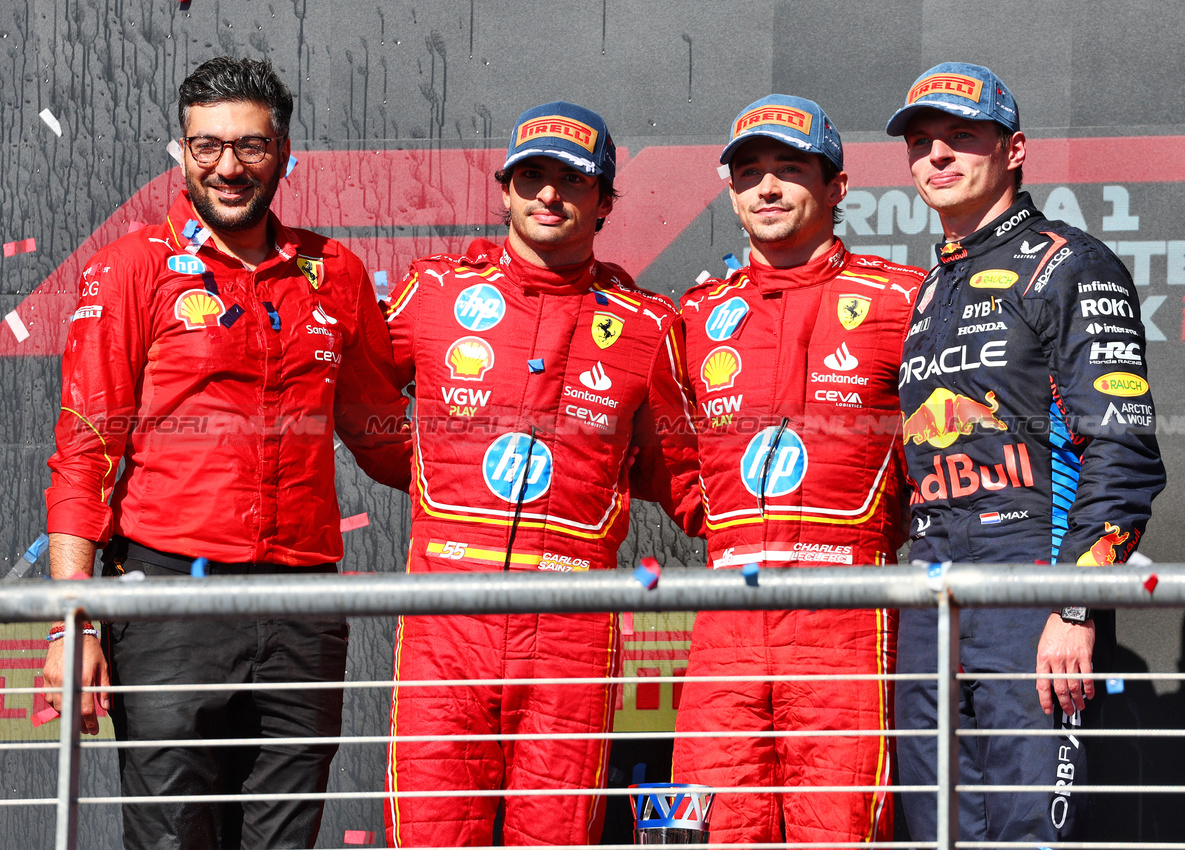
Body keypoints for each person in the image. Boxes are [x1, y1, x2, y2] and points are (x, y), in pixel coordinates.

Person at [41, 57, 411, 850]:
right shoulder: (133, 267)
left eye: (249, 146)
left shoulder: (334, 272)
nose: (227, 167)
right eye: (206, 146)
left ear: (282, 150)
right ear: (180, 152)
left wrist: (524, 455)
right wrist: (70, 626)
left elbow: (385, 439)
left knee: (285, 837)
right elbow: (83, 454)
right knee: (173, 838)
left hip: (303, 606)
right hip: (169, 601)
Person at [380, 101, 702, 848]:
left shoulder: (649, 326)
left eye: (571, 181)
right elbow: (350, 395)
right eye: (532, 178)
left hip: (572, 627)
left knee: (555, 835)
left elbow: (681, 474)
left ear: (604, 201)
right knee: (431, 834)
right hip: (444, 617)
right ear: (505, 190)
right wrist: (423, 466)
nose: (548, 196)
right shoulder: (433, 294)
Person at [885, 62, 1166, 842]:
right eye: (921, 142)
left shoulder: (1071, 264)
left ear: (1012, 150)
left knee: (1026, 830)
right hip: (931, 592)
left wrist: (1074, 606)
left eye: (960, 138)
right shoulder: (931, 290)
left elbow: (1122, 451)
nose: (936, 156)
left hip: (1031, 587)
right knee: (934, 827)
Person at [672, 94, 926, 845]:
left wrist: (882, 527)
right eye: (749, 173)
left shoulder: (902, 298)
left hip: (848, 610)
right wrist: (721, 524)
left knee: (843, 829)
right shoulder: (691, 314)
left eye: (789, 169)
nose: (767, 188)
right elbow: (668, 454)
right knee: (718, 829)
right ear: (730, 193)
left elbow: (947, 451)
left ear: (837, 188)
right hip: (727, 615)